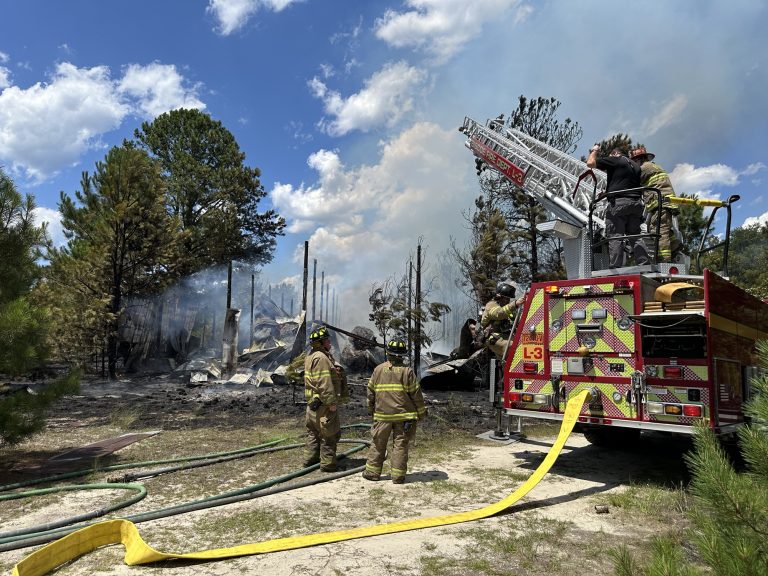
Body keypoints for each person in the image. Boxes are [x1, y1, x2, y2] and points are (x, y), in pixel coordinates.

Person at [362, 338, 427, 484]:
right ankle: (397, 476)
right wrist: (421, 413)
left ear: (388, 353)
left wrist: (371, 409)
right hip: (404, 417)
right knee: (400, 445)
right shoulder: (407, 372)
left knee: (378, 443)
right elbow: (416, 395)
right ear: (402, 355)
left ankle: (372, 472)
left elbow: (370, 391)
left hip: (382, 415)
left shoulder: (378, 370)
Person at [587, 145, 649, 268]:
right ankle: (644, 264)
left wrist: (595, 150)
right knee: (635, 236)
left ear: (615, 154)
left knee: (615, 236)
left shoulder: (616, 159)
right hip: (636, 204)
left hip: (619, 204)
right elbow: (624, 182)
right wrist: (607, 192)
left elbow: (590, 163)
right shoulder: (636, 166)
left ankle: (615, 267)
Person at [303, 325, 345, 472]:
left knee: (314, 432)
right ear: (320, 343)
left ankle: (310, 460)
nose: (330, 343)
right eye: (327, 340)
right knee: (329, 433)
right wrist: (331, 402)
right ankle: (328, 464)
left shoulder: (311, 356)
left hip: (313, 404)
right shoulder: (321, 358)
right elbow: (324, 383)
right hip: (323, 406)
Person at [629, 146, 681, 263]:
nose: (634, 164)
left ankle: (664, 259)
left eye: (634, 161)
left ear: (640, 159)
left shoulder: (644, 168)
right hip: (665, 203)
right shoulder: (654, 166)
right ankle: (674, 244)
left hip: (660, 204)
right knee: (661, 229)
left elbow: (631, 181)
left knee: (658, 232)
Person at [480, 282, 525, 361]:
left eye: (508, 299)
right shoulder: (491, 305)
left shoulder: (506, 309)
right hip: (494, 338)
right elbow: (498, 314)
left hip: (506, 337)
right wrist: (515, 304)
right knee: (515, 347)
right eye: (506, 298)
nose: (507, 300)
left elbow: (515, 321)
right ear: (499, 297)